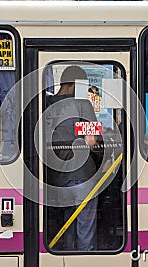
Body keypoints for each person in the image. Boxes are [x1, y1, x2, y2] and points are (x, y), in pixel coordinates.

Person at [45, 65, 98, 251]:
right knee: (85, 221)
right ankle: (85, 255)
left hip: (56, 175)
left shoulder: (46, 103)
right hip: (82, 172)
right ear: (76, 84)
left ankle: (67, 252)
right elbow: (91, 141)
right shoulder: (82, 104)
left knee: (68, 217)